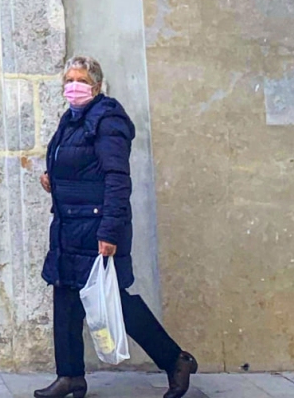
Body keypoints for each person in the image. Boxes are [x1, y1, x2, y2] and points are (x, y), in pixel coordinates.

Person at [34, 56, 198, 398]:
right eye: (68, 80)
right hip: (68, 227)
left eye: (79, 80)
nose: (72, 86)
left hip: (96, 229)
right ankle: (70, 376)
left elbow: (116, 179)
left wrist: (109, 232)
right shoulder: (71, 120)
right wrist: (54, 179)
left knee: (116, 302)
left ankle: (175, 360)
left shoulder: (108, 122)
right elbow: (78, 167)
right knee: (64, 298)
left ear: (95, 85)